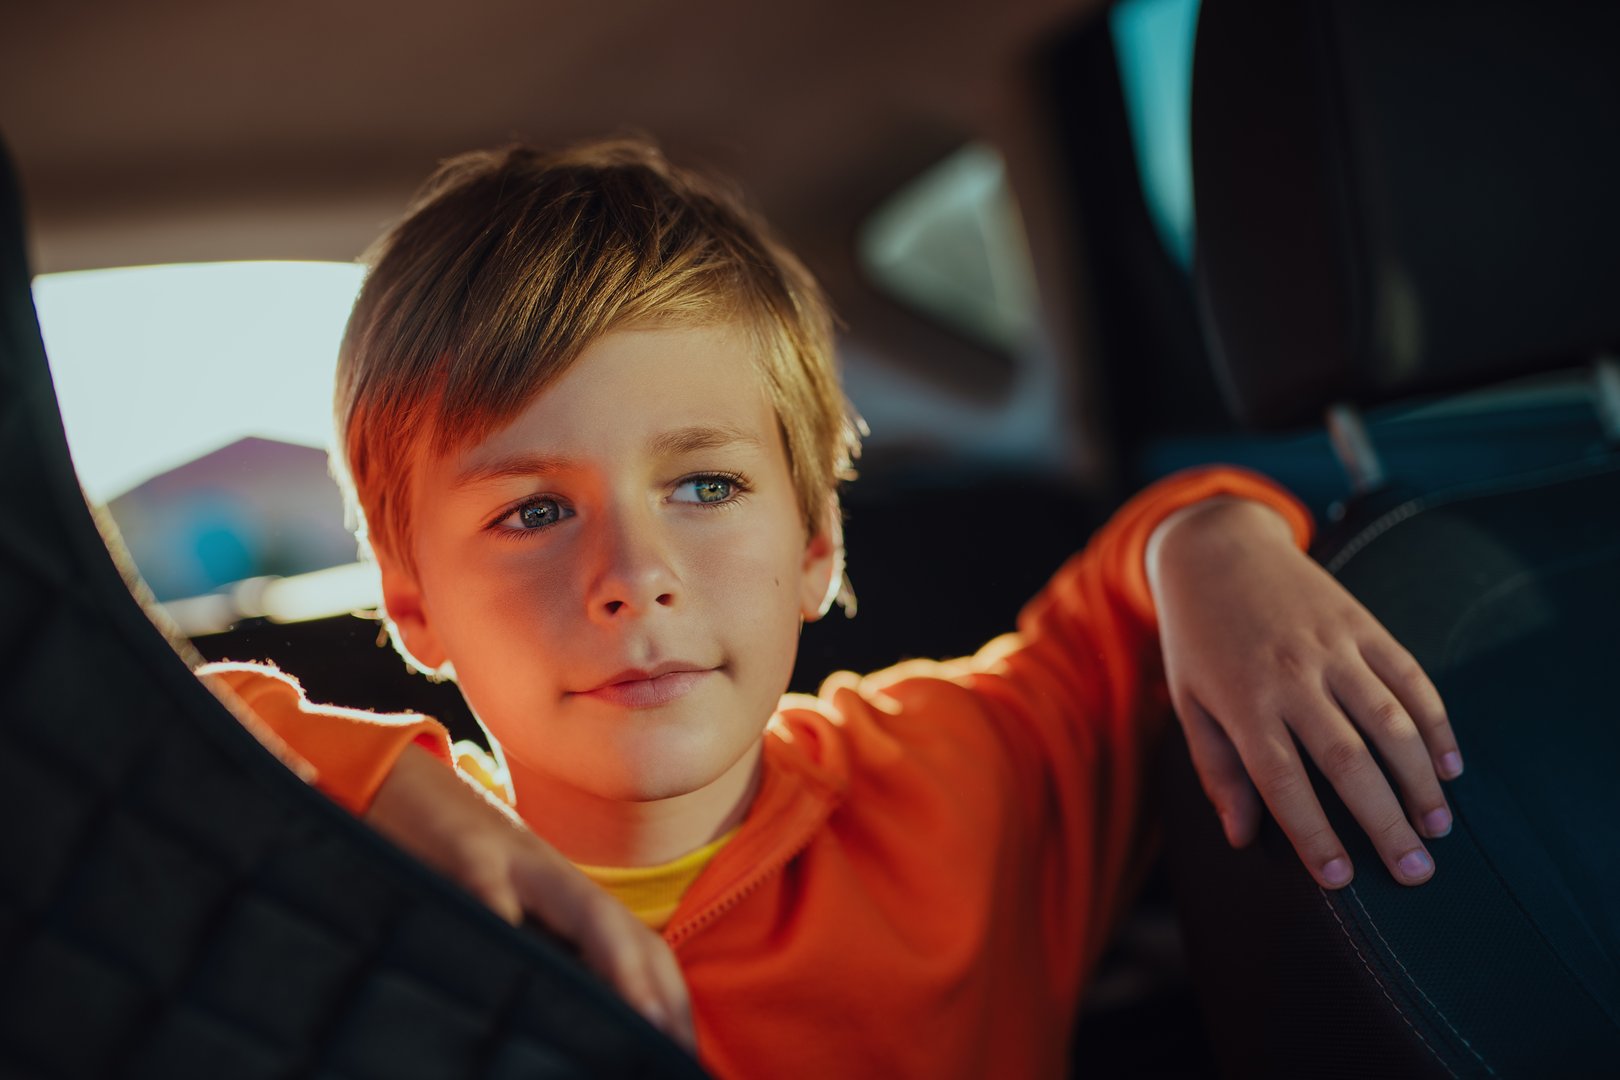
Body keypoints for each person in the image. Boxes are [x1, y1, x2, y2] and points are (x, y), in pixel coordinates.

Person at [203, 138, 1463, 1077]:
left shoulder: (948, 787)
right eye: (532, 511)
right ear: (412, 603)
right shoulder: (364, 865)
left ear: (814, 545)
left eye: (704, 484)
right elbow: (104, 721)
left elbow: (1119, 601)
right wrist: (372, 785)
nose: (633, 573)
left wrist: (1216, 543)